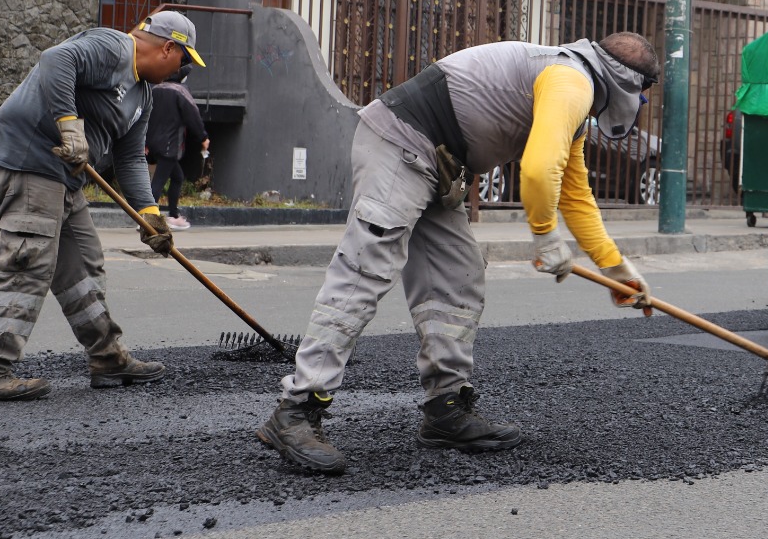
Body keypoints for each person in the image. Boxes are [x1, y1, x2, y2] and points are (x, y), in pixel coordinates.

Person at [257, 33, 661, 475]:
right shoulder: (572, 83)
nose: (641, 104)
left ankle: (445, 410)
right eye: (643, 95)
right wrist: (545, 236)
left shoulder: (574, 90)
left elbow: (573, 189)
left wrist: (616, 268)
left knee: (458, 277)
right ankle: (296, 409)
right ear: (627, 84)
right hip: (400, 143)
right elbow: (540, 168)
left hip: (438, 161)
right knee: (366, 269)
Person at [0, 11, 205, 401]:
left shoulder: (142, 96)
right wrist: (69, 125)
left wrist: (150, 214)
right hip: (32, 163)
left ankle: (108, 358)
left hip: (66, 180)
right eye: (184, 59)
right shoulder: (113, 47)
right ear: (168, 48)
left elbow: (130, 159)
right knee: (29, 264)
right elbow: (56, 59)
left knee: (84, 267)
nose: (182, 68)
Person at [146, 64, 208, 230]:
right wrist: (203, 137)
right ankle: (148, 219)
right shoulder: (180, 91)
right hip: (170, 143)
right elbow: (192, 115)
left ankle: (173, 215)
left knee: (177, 177)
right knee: (158, 182)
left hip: (153, 142)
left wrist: (144, 141)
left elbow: (145, 114)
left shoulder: (155, 89)